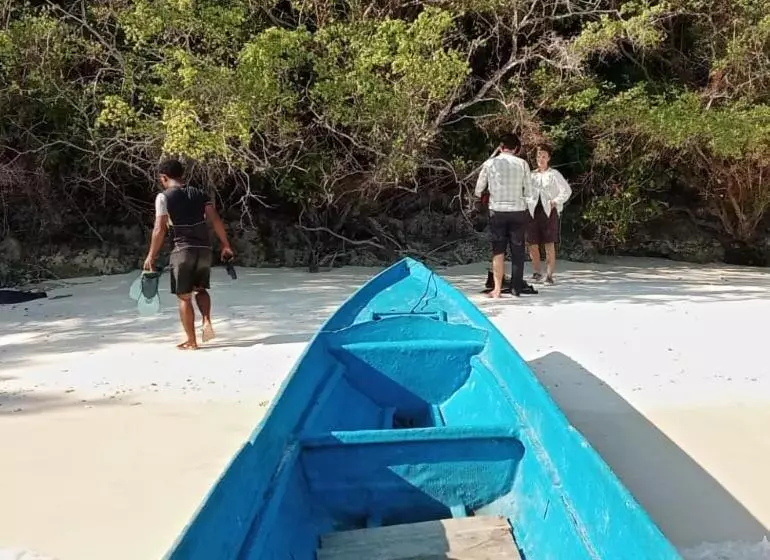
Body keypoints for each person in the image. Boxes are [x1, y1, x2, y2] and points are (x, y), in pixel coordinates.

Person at [143, 158, 234, 350]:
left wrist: (151, 255)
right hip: (204, 249)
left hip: (182, 250)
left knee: (184, 296)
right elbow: (215, 220)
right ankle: (207, 320)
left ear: (163, 177)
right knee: (201, 289)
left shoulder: (163, 197)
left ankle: (192, 341)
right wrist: (225, 245)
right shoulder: (200, 194)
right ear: (181, 175)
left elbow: (159, 229)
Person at [475, 133, 538, 299]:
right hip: (518, 211)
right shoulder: (523, 164)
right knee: (518, 250)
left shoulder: (490, 163)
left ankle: (496, 289)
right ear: (516, 149)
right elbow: (529, 191)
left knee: (498, 250)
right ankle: (516, 288)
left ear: (501, 147)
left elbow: (478, 189)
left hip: (497, 211)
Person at [526, 145, 572, 284]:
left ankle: (549, 274)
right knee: (532, 243)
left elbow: (566, 190)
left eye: (544, 156)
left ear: (548, 158)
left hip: (549, 211)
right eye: (539, 156)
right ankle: (536, 272)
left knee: (549, 243)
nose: (541, 159)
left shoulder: (554, 174)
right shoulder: (531, 175)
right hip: (532, 211)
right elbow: (524, 191)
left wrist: (555, 201)